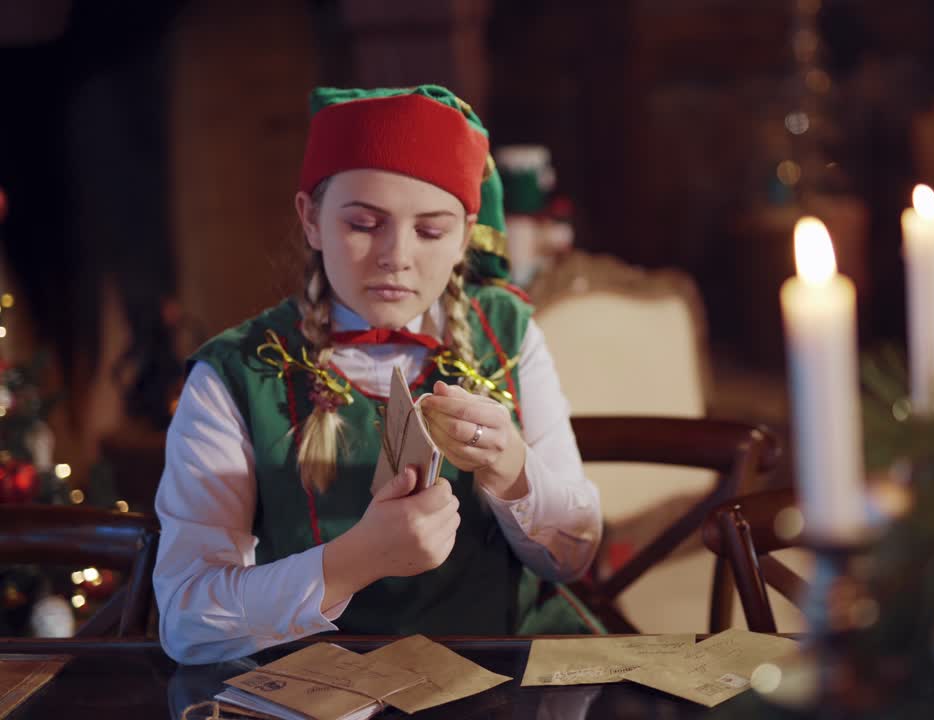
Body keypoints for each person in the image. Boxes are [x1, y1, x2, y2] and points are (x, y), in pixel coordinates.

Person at [153, 85, 604, 664]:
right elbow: (188, 623)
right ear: (311, 219)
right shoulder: (236, 374)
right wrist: (357, 560)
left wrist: (513, 468)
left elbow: (574, 557)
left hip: (508, 665)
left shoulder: (508, 333)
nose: (396, 255)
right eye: (365, 224)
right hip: (330, 685)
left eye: (431, 231)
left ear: (466, 234)